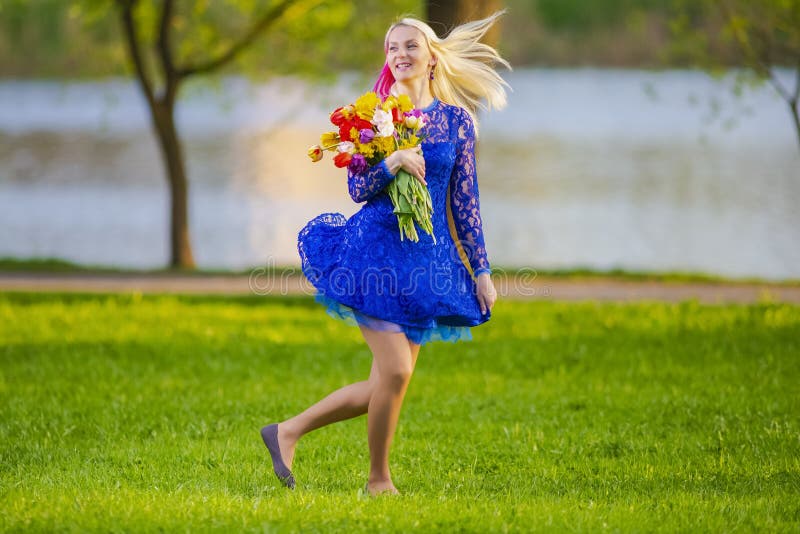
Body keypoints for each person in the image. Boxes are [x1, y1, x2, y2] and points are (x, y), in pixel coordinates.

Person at [261, 10, 510, 497]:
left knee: (387, 383)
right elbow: (357, 187)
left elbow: (465, 202)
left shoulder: (458, 122)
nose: (399, 55)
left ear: (431, 56)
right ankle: (378, 480)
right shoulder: (372, 117)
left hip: (423, 263)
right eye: (392, 48)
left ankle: (286, 431)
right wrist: (392, 160)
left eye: (409, 46)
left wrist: (481, 268)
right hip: (372, 254)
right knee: (396, 371)